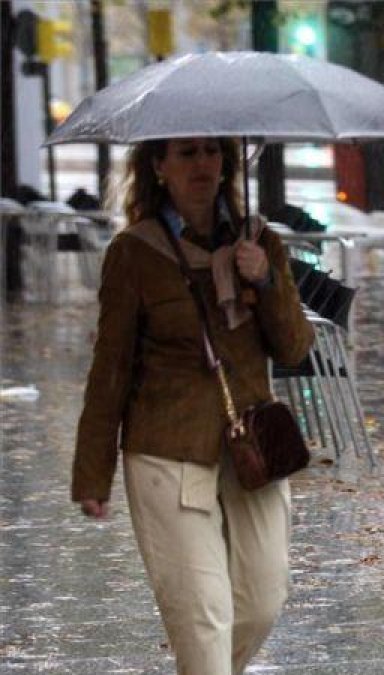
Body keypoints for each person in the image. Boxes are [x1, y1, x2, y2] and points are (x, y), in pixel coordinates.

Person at [72, 137, 315, 673]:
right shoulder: (135, 253)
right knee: (205, 619)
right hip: (167, 452)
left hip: (254, 449)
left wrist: (266, 280)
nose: (202, 164)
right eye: (186, 153)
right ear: (158, 166)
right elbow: (110, 369)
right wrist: (93, 473)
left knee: (261, 601)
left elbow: (296, 347)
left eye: (210, 152)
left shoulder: (259, 243)